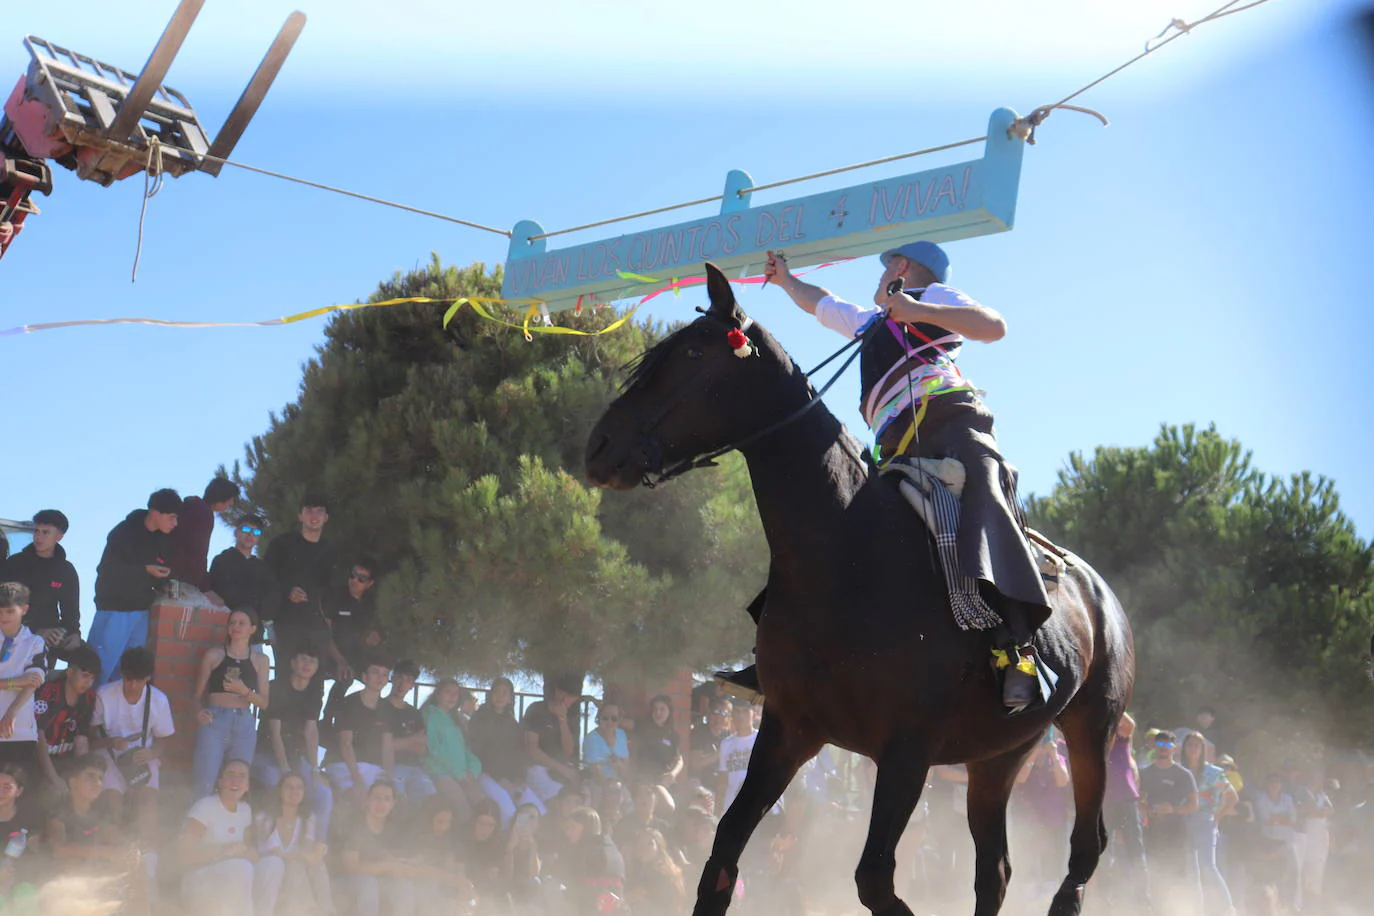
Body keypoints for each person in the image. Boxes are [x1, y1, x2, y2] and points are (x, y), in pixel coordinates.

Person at [738, 244, 1050, 708]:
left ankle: (1016, 647)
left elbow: (993, 327)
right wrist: (785, 279)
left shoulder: (936, 296)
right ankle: (778, 652)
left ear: (901, 269)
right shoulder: (872, 323)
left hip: (952, 421)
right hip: (896, 444)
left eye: (885, 268)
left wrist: (914, 307)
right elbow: (822, 302)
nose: (878, 278)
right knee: (841, 525)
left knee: (985, 493)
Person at [90, 489, 181, 683]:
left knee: (127, 676)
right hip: (114, 611)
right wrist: (145, 570)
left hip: (141, 613)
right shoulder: (123, 532)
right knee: (97, 672)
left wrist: (164, 580)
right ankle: (87, 712)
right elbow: (109, 571)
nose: (175, 524)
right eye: (172, 517)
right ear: (155, 513)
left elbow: (163, 569)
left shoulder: (163, 539)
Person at [46, 753, 151, 912]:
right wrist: (104, 852)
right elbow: (58, 850)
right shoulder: (59, 812)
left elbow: (118, 841)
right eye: (90, 777)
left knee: (137, 861)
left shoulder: (101, 812)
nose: (97, 783)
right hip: (63, 883)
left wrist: (130, 852)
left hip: (96, 875)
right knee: (72, 863)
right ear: (73, 782)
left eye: (100, 778)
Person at [253, 644, 333, 840]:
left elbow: (311, 732)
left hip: (296, 758)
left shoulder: (314, 692)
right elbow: (275, 733)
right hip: (267, 756)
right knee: (278, 786)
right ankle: (270, 842)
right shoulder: (278, 687)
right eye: (303, 659)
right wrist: (286, 771)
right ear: (293, 663)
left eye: (313, 661)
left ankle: (316, 846)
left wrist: (314, 769)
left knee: (323, 794)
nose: (307, 665)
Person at [91, 647, 174, 831]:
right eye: (129, 680)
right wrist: (110, 742)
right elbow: (89, 736)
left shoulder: (159, 700)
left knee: (147, 806)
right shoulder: (104, 694)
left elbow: (163, 740)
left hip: (143, 758)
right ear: (122, 674)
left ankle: (146, 853)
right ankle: (116, 851)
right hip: (109, 756)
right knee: (112, 805)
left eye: (139, 681)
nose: (133, 686)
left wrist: (152, 753)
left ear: (148, 678)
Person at [192, 608, 271, 800]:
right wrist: (199, 712)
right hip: (215, 718)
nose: (235, 627)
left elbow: (265, 703)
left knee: (238, 781)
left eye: (241, 623)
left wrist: (243, 691)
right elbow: (196, 696)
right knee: (206, 780)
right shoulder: (214, 655)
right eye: (232, 623)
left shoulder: (261, 660)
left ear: (252, 629)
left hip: (244, 721)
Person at [178, 758, 264, 916]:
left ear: (247, 785)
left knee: (271, 866)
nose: (235, 781)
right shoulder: (205, 807)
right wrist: (224, 851)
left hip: (234, 877)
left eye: (242, 776)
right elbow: (183, 857)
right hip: (198, 880)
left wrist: (251, 854)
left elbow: (248, 849)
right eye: (230, 775)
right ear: (220, 782)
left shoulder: (246, 811)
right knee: (241, 867)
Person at [0, 510, 81, 668]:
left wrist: (74, 634)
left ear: (59, 536)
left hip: (51, 636)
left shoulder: (66, 570)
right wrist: (36, 631)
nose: (39, 537)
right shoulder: (14, 564)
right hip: (13, 633)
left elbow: (70, 611)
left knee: (88, 659)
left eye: (45, 532)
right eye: (36, 531)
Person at [265, 495, 337, 669]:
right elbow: (265, 578)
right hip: (285, 623)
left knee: (315, 682)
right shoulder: (281, 544)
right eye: (309, 511)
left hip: (318, 628)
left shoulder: (331, 551)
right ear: (300, 516)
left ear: (326, 517)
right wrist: (287, 592)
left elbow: (333, 589)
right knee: (284, 678)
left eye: (320, 511)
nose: (314, 516)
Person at [254, 771, 333, 916]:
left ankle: (326, 911)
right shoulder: (264, 818)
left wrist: (317, 852)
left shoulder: (308, 818)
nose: (294, 791)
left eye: (299, 787)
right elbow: (275, 853)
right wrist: (306, 856)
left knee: (316, 866)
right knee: (295, 865)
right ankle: (309, 911)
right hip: (270, 872)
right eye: (289, 787)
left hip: (296, 871)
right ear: (280, 791)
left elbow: (307, 851)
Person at [334, 779, 417, 916]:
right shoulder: (354, 823)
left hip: (377, 881)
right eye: (376, 798)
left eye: (387, 799)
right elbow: (351, 868)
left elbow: (396, 861)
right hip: (343, 882)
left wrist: (401, 866)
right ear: (367, 800)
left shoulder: (393, 829)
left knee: (404, 886)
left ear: (393, 804)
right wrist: (387, 865)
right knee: (368, 883)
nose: (381, 804)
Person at [467, 676, 543, 827]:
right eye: (496, 692)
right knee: (507, 811)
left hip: (511, 778)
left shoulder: (512, 723)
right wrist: (499, 778)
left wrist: (519, 778)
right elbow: (478, 752)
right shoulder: (479, 719)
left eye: (504, 693)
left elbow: (518, 753)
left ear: (510, 698)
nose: (500, 696)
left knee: (536, 809)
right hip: (485, 774)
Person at [1137, 730, 1199, 907]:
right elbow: (1138, 800)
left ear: (1174, 748)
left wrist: (1173, 809)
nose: (1163, 749)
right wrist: (1149, 810)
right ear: (1154, 746)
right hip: (1153, 831)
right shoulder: (1146, 772)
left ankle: (1178, 909)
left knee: (1177, 876)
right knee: (1154, 874)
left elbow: (1194, 804)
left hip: (1177, 831)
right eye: (1160, 745)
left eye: (1167, 745)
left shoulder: (1183, 774)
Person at [33, 645, 102, 796]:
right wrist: (55, 779)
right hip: (38, 761)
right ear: (70, 672)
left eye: (92, 678)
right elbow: (39, 739)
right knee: (52, 791)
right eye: (85, 675)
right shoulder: (49, 692)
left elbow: (81, 738)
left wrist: (82, 776)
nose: (88, 682)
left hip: (67, 761)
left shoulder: (89, 698)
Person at [1180, 730, 1236, 915]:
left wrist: (1217, 817)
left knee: (1208, 866)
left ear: (1202, 749)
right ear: (1184, 748)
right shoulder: (1179, 770)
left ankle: (1229, 908)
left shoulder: (1213, 772)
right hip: (1182, 821)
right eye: (1190, 744)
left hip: (1204, 820)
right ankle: (1197, 910)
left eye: (1197, 745)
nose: (1194, 748)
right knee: (1191, 870)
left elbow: (1232, 797)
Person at [323, 657, 394, 802]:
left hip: (373, 768)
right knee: (361, 798)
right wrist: (359, 781)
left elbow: (387, 747)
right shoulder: (349, 703)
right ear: (364, 677)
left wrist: (389, 777)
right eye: (375, 672)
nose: (380, 678)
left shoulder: (387, 708)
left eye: (384, 674)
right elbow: (346, 744)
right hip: (343, 766)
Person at [321, 559, 381, 720]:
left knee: (377, 679)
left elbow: (370, 632)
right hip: (331, 655)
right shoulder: (336, 597)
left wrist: (372, 637)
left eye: (361, 578)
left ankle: (367, 722)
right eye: (353, 575)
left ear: (369, 583)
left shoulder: (371, 602)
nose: (355, 580)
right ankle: (327, 721)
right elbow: (324, 634)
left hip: (358, 657)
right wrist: (340, 660)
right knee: (345, 676)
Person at [0, 583, 49, 769]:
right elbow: (24, 681)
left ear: (24, 610)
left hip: (20, 731)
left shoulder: (35, 642)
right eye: (0, 611)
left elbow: (33, 682)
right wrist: (16, 682)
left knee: (18, 793)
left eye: (10, 611)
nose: (3, 617)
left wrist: (11, 713)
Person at [420, 678, 484, 821]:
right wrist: (459, 775)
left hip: (462, 775)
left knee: (482, 806)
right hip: (440, 772)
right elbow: (435, 750)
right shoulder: (430, 715)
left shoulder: (456, 720)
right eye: (448, 692)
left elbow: (464, 750)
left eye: (456, 693)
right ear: (438, 695)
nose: (452, 697)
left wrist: (473, 769)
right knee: (463, 809)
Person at [168, 477, 240, 598]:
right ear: (221, 498)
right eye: (231, 499)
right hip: (178, 578)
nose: (231, 504)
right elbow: (197, 552)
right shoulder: (203, 513)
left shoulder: (192, 507)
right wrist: (205, 587)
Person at [209, 515, 281, 626]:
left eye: (256, 532)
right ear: (236, 532)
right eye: (246, 529)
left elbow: (272, 600)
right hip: (224, 626)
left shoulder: (263, 568)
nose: (251, 534)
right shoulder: (222, 561)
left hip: (254, 632)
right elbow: (220, 593)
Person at [381, 659, 436, 803]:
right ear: (392, 678)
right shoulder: (380, 707)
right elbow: (381, 744)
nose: (402, 683)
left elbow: (423, 747)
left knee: (431, 801)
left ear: (412, 685)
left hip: (415, 768)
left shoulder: (414, 713)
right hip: (389, 767)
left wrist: (398, 743)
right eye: (399, 677)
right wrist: (411, 741)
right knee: (400, 802)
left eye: (408, 680)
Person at [409, 802, 474, 916]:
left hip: (448, 894)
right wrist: (453, 879)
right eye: (440, 821)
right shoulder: (421, 840)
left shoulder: (455, 844)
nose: (444, 826)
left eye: (448, 822)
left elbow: (461, 873)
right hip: (424, 891)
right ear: (430, 820)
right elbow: (422, 869)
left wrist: (462, 890)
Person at [522, 677, 581, 802]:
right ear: (556, 691)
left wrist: (562, 719)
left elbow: (568, 751)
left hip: (561, 771)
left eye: (570, 697)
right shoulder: (537, 710)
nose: (564, 700)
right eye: (562, 694)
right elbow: (532, 749)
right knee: (561, 799)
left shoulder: (571, 717)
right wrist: (563, 769)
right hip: (537, 768)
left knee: (583, 795)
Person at [561, 807, 625, 916]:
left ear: (586, 828)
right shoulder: (611, 847)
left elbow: (581, 890)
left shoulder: (586, 851)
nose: (568, 832)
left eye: (573, 827)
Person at [624, 826, 687, 915]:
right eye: (641, 843)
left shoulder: (657, 871)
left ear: (659, 846)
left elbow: (634, 896)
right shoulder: (665, 866)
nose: (644, 847)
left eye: (650, 843)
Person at [717, 703, 761, 812]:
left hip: (757, 803)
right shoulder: (726, 743)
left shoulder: (762, 739)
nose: (741, 716)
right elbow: (723, 779)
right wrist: (718, 806)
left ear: (753, 714)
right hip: (732, 804)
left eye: (745, 711)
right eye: (737, 711)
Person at [634, 694, 684, 787]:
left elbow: (679, 760)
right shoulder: (643, 727)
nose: (658, 713)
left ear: (669, 711)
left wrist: (672, 775)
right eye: (655, 709)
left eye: (662, 709)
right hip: (645, 779)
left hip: (665, 778)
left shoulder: (673, 735)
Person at [582, 702, 630, 782]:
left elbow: (626, 770)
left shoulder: (621, 735)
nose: (609, 722)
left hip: (618, 784)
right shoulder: (591, 739)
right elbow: (595, 772)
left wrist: (618, 764)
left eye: (614, 719)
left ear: (619, 720)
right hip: (596, 784)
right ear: (599, 718)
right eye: (605, 718)